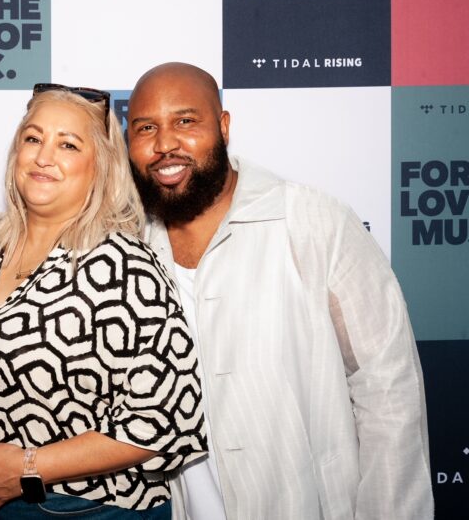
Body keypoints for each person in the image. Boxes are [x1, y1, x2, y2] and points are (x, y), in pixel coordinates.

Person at [126, 62, 434, 519]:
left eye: (186, 121)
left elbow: (388, 390)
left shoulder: (312, 220)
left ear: (224, 126)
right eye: (145, 128)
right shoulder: (128, 248)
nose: (165, 143)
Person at [0, 83, 206, 519]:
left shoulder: (124, 263)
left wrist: (27, 468)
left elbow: (166, 421)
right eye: (33, 138)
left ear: (101, 166)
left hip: (87, 509)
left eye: (68, 145)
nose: (44, 157)